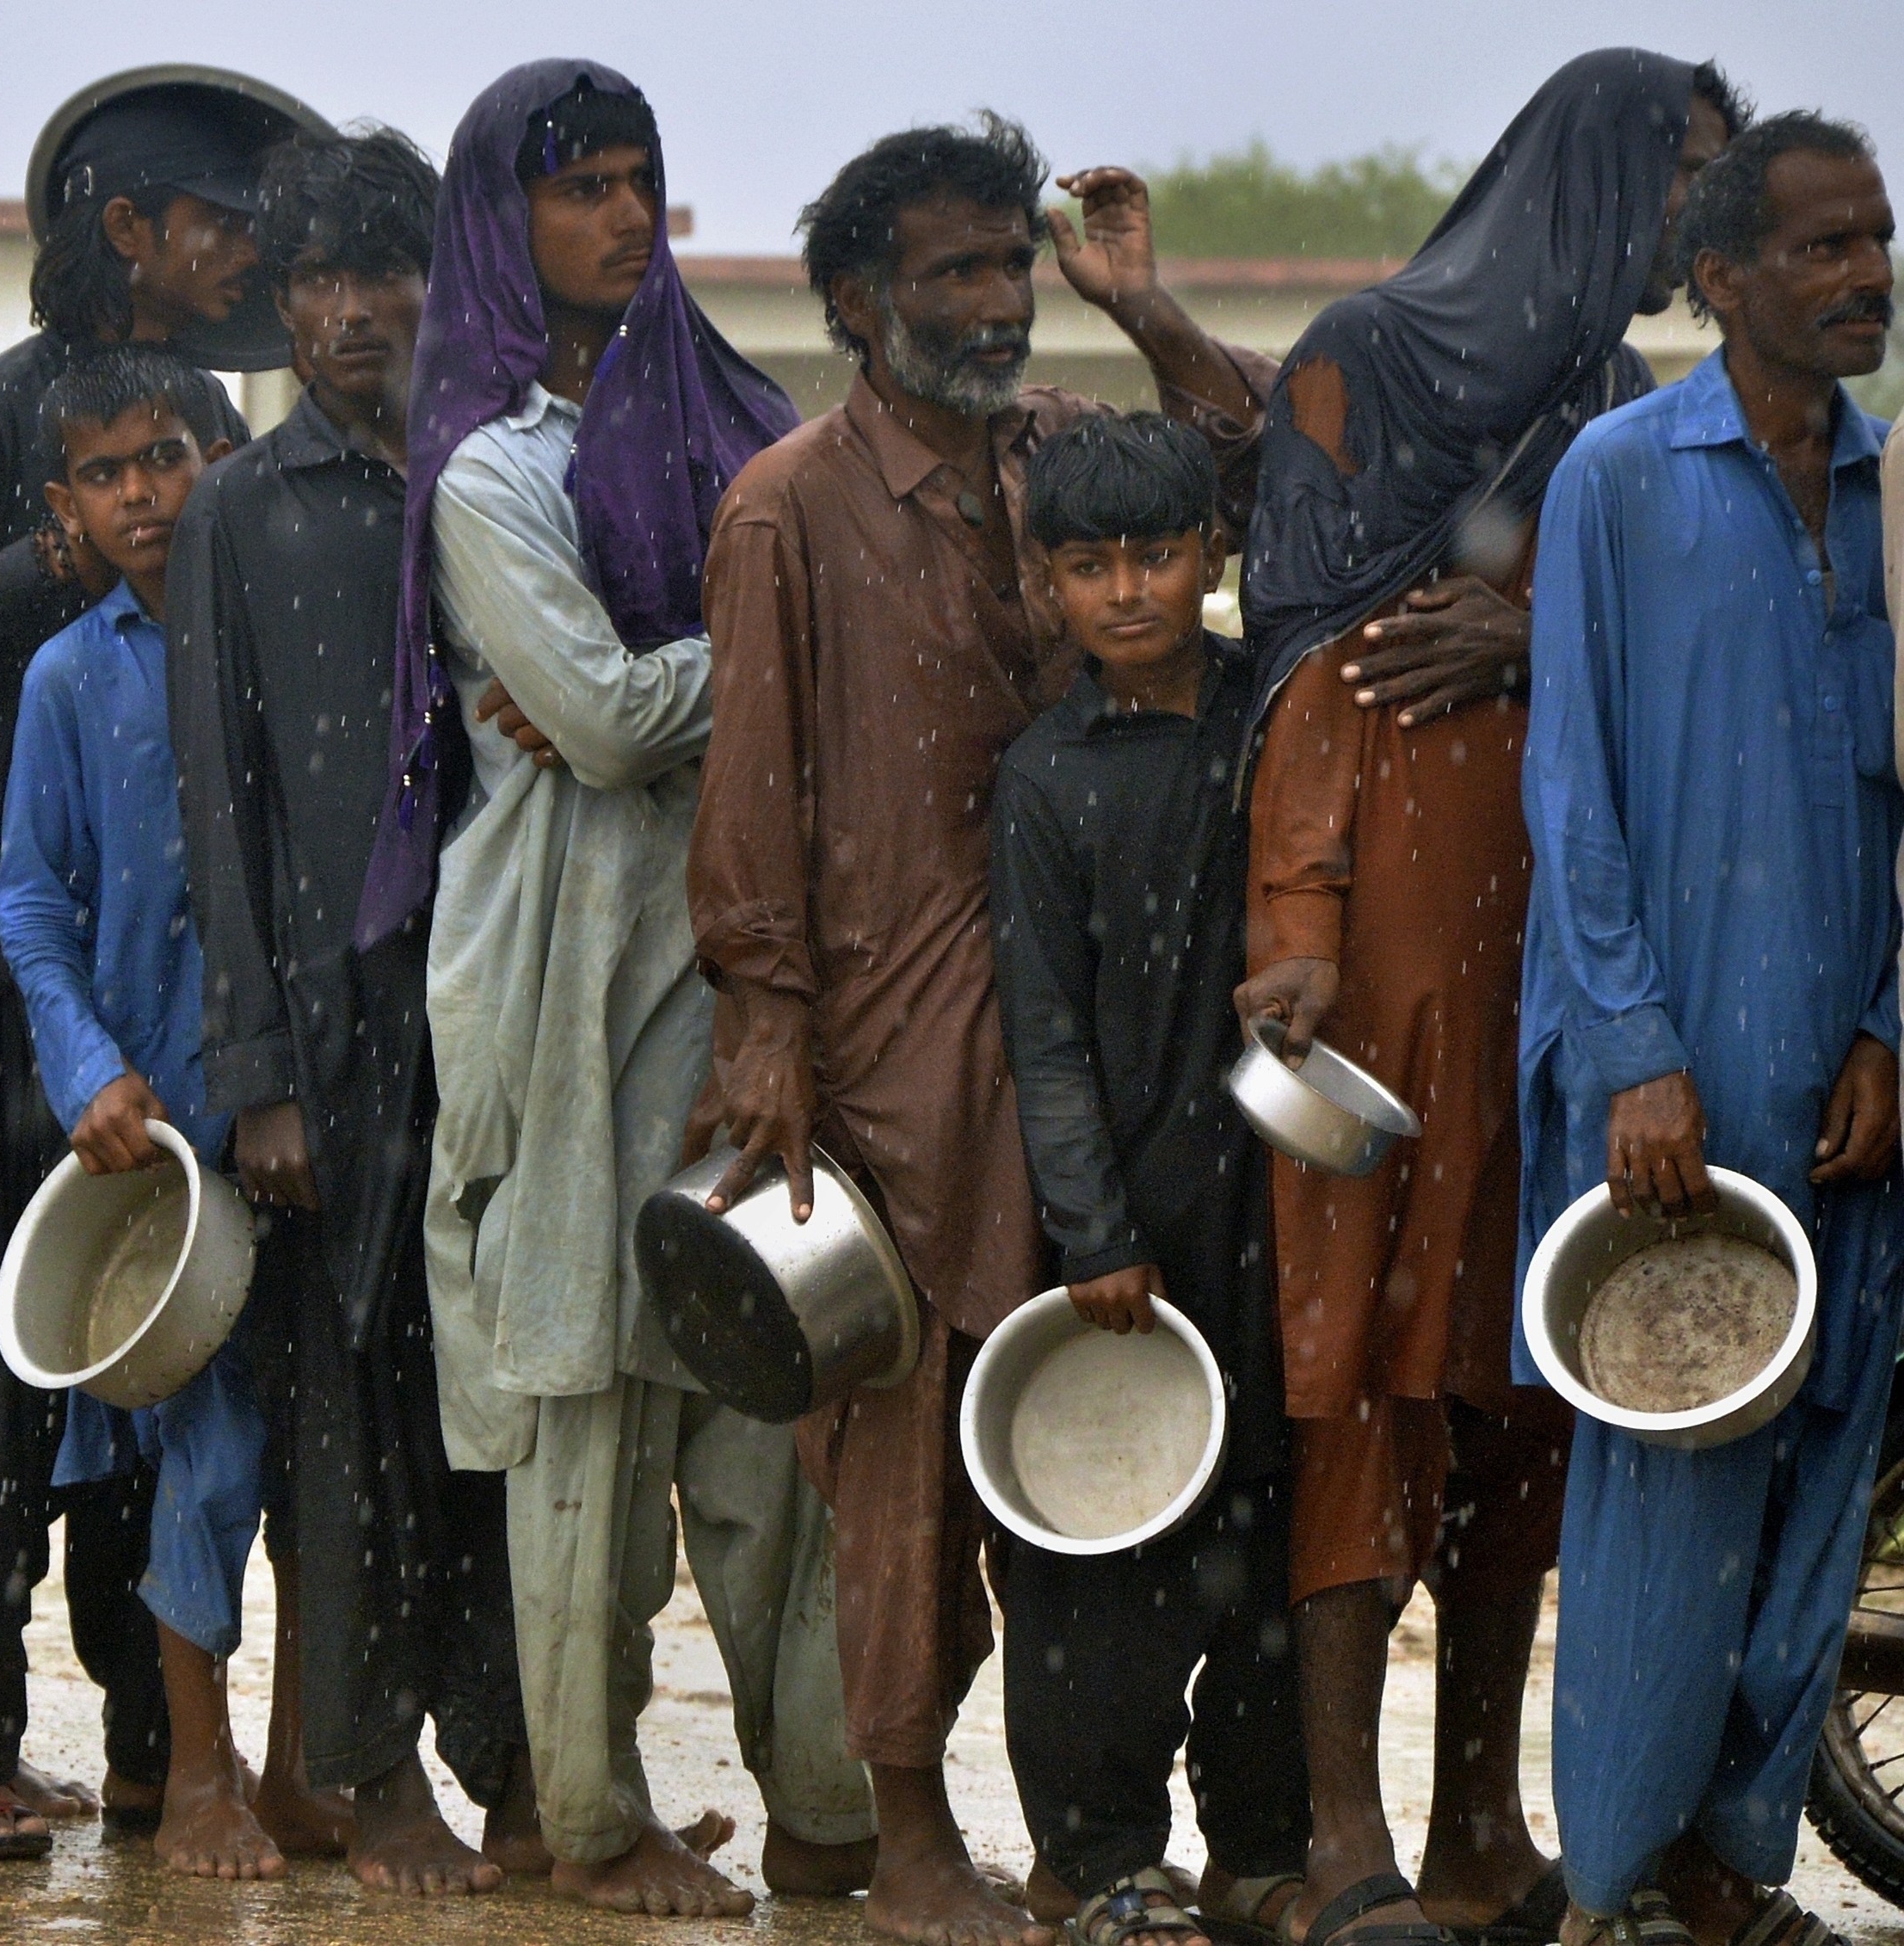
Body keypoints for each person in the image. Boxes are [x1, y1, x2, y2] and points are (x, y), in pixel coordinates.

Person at [686, 116, 1269, 1943]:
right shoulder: (786, 503)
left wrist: (1145, 309)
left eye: (1010, 268)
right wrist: (764, 1027)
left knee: (1097, 1432)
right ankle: (908, 1825)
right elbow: (750, 792)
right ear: (858, 303)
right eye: (953, 273)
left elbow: (1257, 478)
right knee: (901, 1462)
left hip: (1105, 1046)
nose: (998, 303)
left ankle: (1109, 1830)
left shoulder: (1063, 467)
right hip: (891, 1051)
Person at [354, 60, 878, 1922]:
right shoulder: (489, 476)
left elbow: (640, 697)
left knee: (765, 1414)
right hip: (564, 990)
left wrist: (673, 675)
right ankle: (586, 1825)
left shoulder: (727, 423)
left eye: (639, 179)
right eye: (574, 188)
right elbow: (584, 718)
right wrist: (758, 638)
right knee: (582, 1406)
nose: (618, 215)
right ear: (502, 223)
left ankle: (828, 1807)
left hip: (744, 985)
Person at [1232, 54, 1741, 1946]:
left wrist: (1536, 630)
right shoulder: (1367, 355)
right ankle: (1347, 1837)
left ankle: (1473, 1830)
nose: (1708, 211)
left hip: (1567, 969)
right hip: (1374, 965)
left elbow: (1662, 653)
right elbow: (1301, 662)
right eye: (1688, 173)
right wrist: (1292, 918)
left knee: (1522, 1398)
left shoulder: (1624, 403)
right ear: (1596, 174)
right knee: (1361, 1384)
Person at [0, 68, 305, 1846]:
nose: (253, 256)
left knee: (155, 1350)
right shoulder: (10, 418)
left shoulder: (221, 425)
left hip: (200, 1004)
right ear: (130, 231)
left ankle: (152, 1755)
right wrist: (48, 552)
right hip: (5, 986)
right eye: (227, 225)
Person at [1521, 112, 1898, 1946]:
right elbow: (1569, 787)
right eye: (1822, 249)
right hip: (1673, 1081)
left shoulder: (1893, 488)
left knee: (1822, 1491)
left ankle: (1732, 1875)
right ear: (1723, 278)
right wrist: (1630, 1052)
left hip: (1852, 1085)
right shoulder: (1618, 473)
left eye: (1879, 242)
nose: (1865, 278)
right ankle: (1612, 1887)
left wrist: (1893, 1030)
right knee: (1669, 1489)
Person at [169, 126, 537, 1898]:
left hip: (504, 1014)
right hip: (326, 1042)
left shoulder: (500, 469)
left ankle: (528, 1778)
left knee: (504, 1410)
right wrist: (259, 1082)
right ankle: (378, 1784)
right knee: (346, 1427)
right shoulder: (240, 509)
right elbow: (218, 810)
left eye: (379, 274)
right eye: (310, 282)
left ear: (439, 282)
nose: (344, 312)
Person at [986, 413, 1308, 1946]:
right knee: (1102, 1561)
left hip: (1286, 1211)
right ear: (1043, 582)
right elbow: (1041, 1030)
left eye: (1158, 554)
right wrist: (1091, 1229)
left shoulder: (1278, 713)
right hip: (1132, 1223)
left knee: (1271, 1542)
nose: (1128, 591)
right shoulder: (1045, 778)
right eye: (1089, 564)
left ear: (1213, 555)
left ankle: (1258, 1844)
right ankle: (1104, 1857)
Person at [0, 347, 294, 1875]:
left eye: (165, 456)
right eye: (106, 473)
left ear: (223, 455)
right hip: (151, 1125)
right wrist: (81, 1067)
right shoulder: (68, 675)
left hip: (299, 1110)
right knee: (202, 1445)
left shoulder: (289, 637)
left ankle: (290, 1765)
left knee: (313, 1446)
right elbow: (30, 897)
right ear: (66, 502)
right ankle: (195, 1776)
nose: (140, 493)